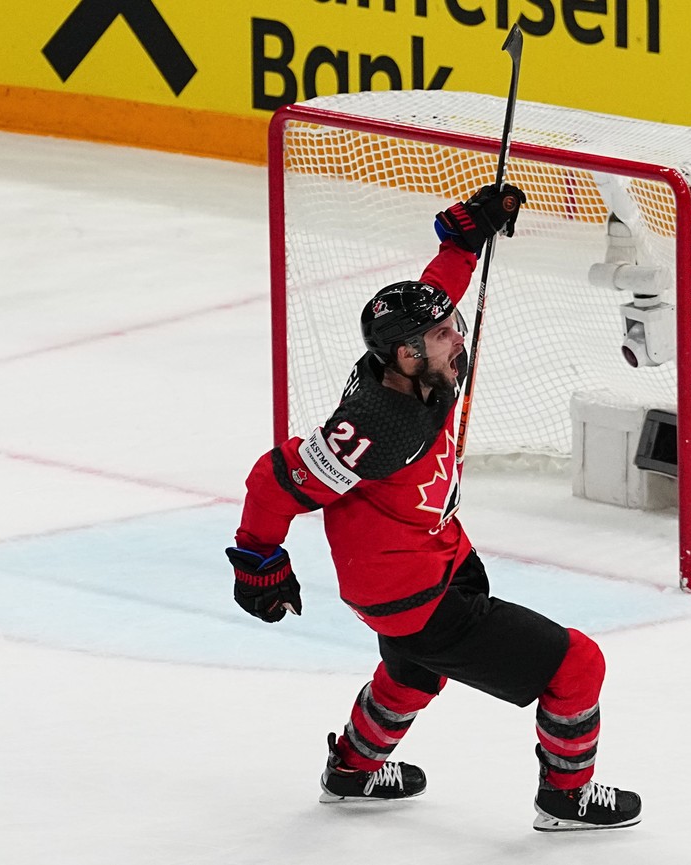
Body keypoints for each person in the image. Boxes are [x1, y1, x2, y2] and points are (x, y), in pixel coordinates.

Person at [225, 183, 641, 832]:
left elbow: (434, 292)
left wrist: (462, 239)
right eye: (443, 333)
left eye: (454, 325)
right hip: (414, 592)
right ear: (406, 354)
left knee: (413, 672)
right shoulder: (375, 424)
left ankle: (353, 767)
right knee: (577, 664)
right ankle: (566, 796)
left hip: (431, 556)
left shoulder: (422, 365)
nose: (458, 337)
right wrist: (258, 559)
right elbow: (274, 480)